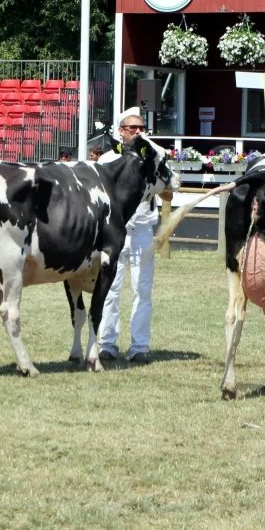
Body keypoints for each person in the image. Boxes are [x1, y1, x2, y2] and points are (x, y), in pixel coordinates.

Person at [95, 107, 162, 364]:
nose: (138, 132)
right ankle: (107, 343)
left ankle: (139, 347)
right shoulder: (107, 160)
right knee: (110, 287)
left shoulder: (152, 158)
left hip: (143, 229)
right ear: (121, 132)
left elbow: (166, 193)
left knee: (142, 290)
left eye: (141, 128)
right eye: (133, 128)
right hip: (115, 229)